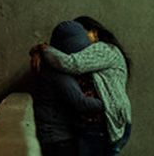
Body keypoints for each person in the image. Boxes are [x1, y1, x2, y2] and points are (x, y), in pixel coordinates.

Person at [41, 16, 132, 156]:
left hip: (103, 124)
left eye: (83, 33)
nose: (80, 39)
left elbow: (71, 63)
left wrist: (44, 49)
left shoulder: (104, 49)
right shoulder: (89, 55)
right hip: (98, 124)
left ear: (94, 33)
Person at [31, 20, 105, 156]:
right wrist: (109, 103)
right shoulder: (57, 72)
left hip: (53, 136)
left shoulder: (49, 64)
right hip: (58, 139)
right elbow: (81, 102)